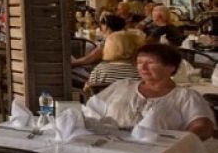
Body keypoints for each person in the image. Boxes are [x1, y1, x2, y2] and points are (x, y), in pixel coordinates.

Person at [86, 45, 215, 139]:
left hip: (157, 152)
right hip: (111, 146)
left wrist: (180, 142)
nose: (143, 67)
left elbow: (203, 126)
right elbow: (90, 111)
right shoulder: (122, 85)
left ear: (170, 67)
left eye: (150, 63)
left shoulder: (185, 96)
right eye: (139, 62)